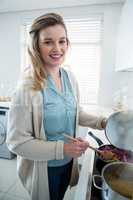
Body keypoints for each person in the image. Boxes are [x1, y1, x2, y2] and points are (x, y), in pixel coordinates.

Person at [6, 13, 106, 200]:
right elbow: (16, 143)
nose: (57, 48)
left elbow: (74, 113)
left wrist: (103, 122)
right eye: (48, 42)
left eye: (62, 41)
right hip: (46, 169)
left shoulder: (69, 77)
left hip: (68, 164)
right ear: (36, 45)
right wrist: (63, 149)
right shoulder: (27, 87)